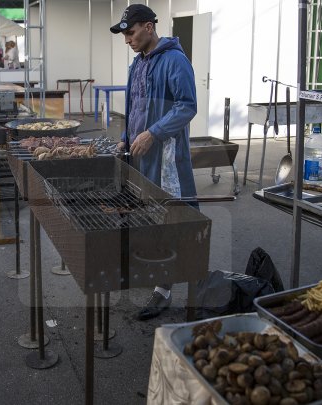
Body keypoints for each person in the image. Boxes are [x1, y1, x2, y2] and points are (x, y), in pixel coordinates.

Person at [111, 4, 198, 321]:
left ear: (149, 27)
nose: (127, 40)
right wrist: (126, 135)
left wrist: (153, 134)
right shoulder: (136, 65)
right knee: (146, 215)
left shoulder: (175, 61)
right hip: (139, 156)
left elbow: (188, 107)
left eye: (130, 33)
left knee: (172, 220)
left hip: (166, 160)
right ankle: (152, 270)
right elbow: (134, 107)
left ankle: (166, 288)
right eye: (125, 35)